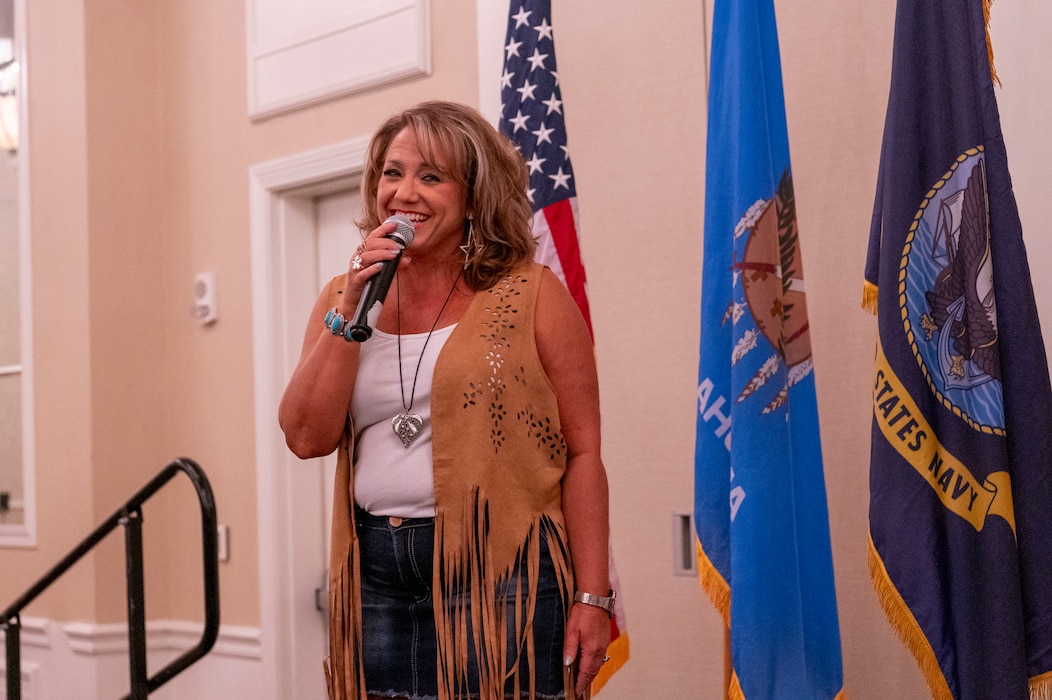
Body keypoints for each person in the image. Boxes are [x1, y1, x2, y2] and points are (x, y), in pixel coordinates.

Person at [278, 101, 612, 700]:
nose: (404, 193)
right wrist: (349, 309)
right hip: (376, 574)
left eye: (431, 177)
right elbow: (305, 437)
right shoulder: (343, 296)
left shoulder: (532, 294)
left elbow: (584, 454)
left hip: (507, 571)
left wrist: (592, 596)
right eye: (392, 173)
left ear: (473, 195)